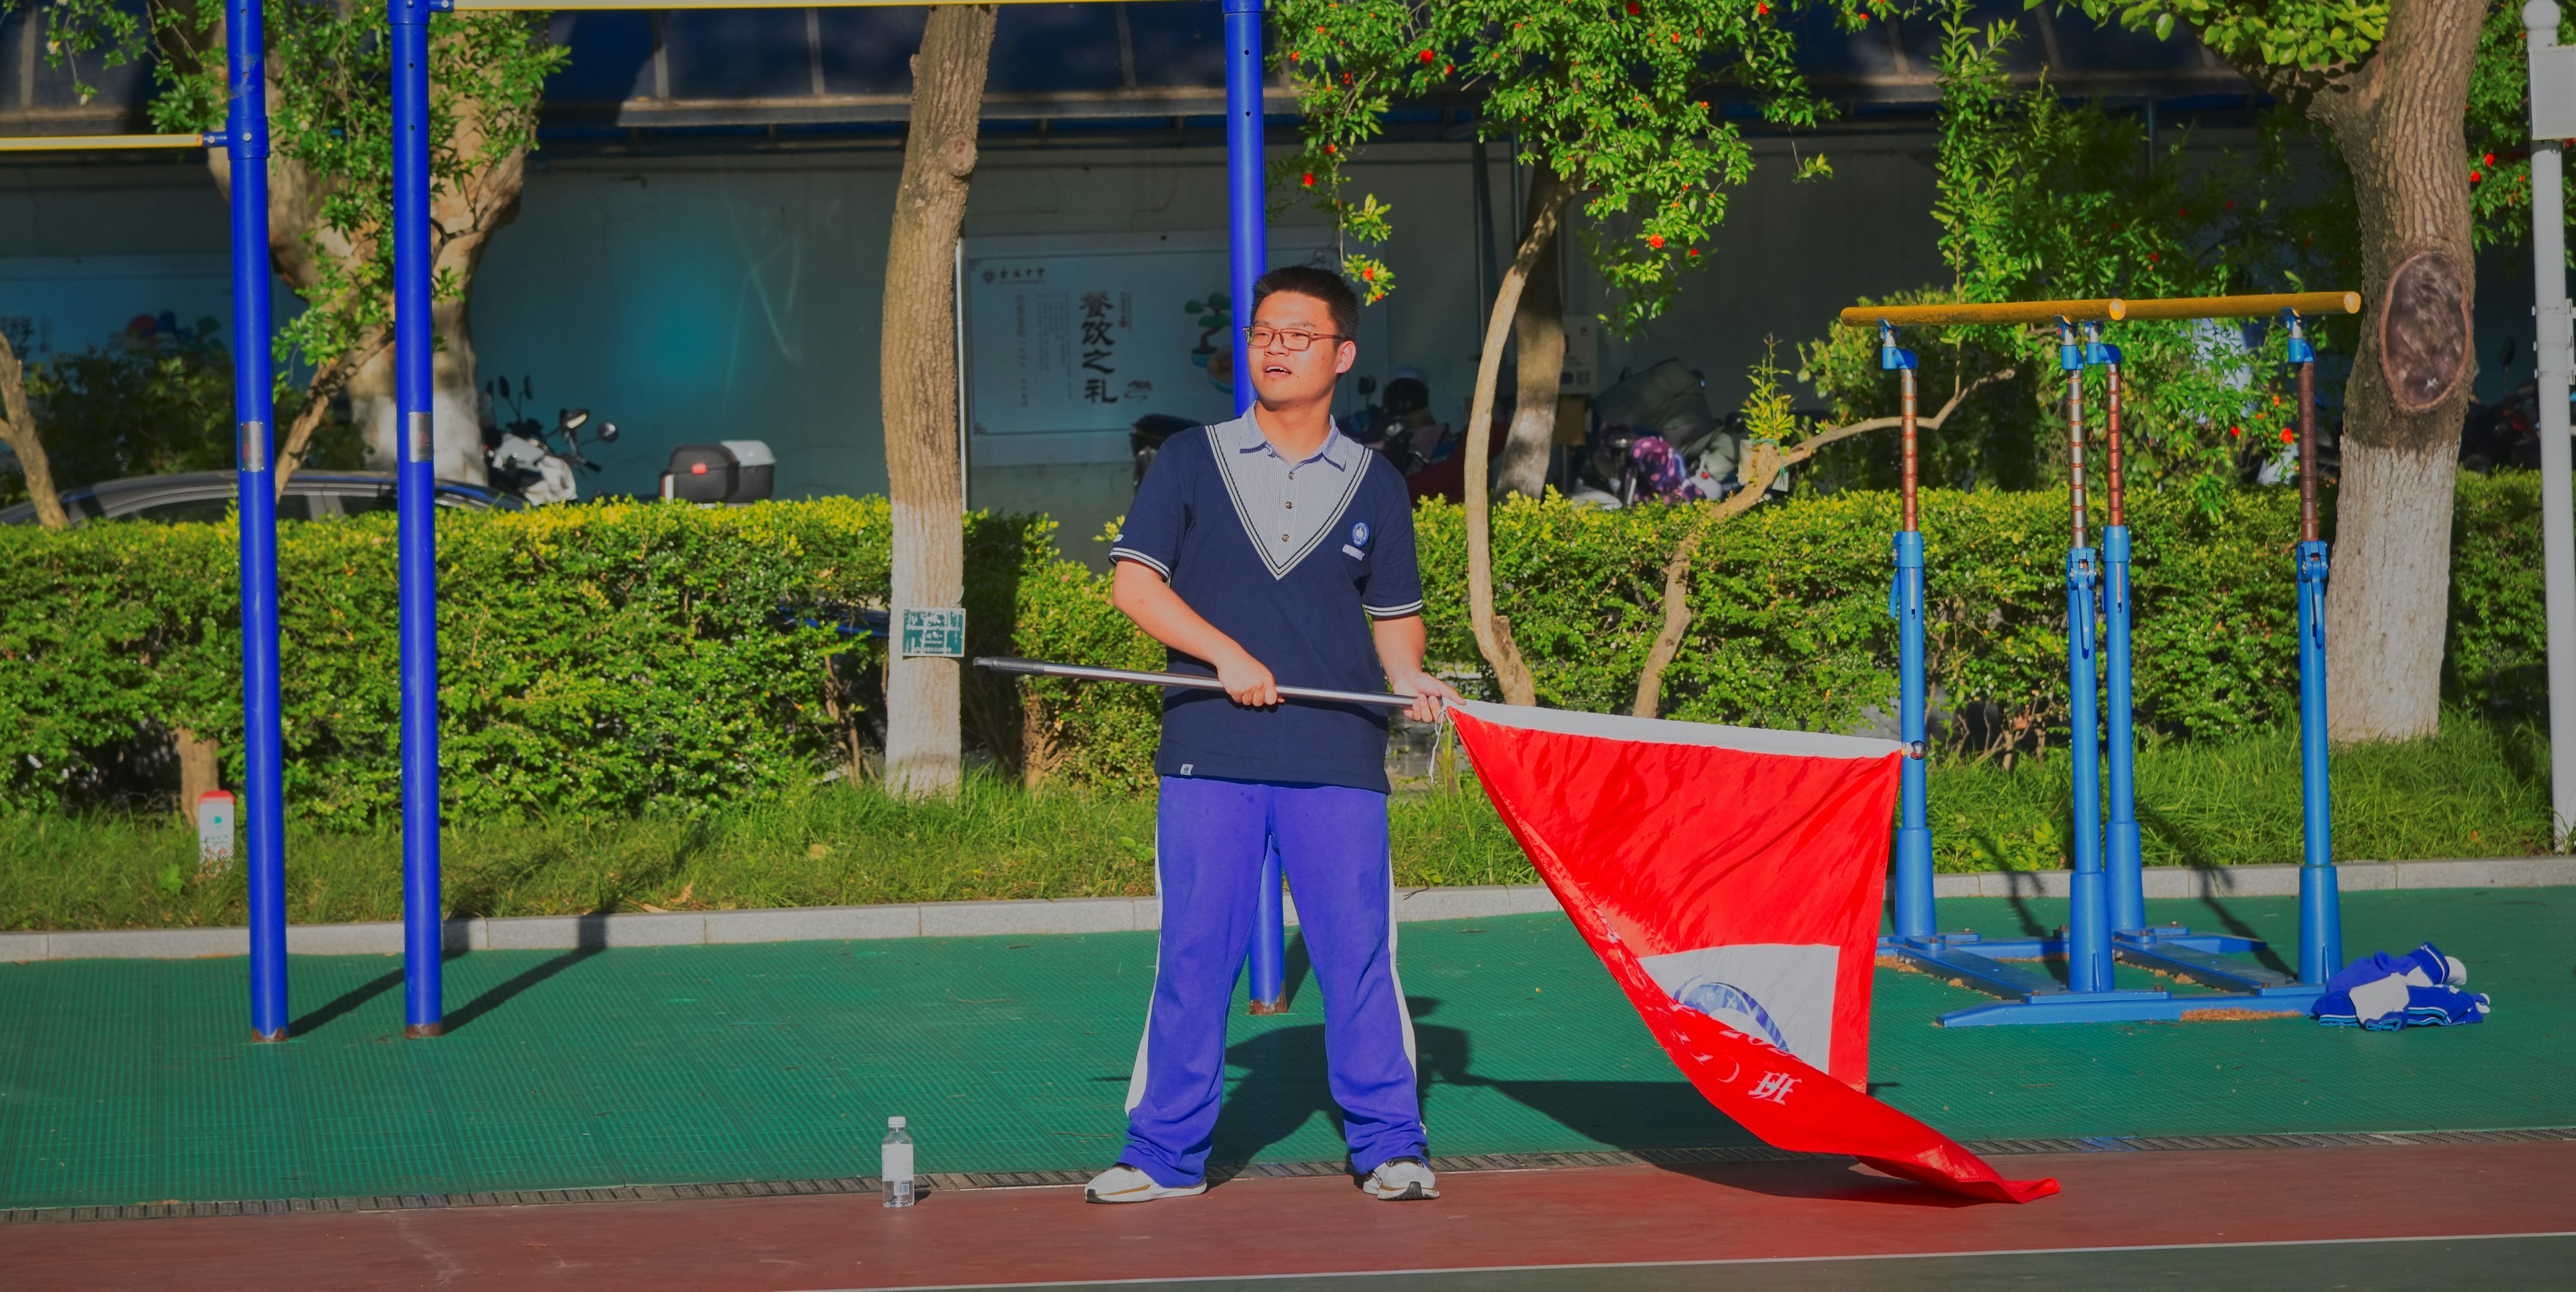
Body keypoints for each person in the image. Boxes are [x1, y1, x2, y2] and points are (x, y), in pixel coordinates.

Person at [1084, 265, 1461, 1205]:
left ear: (1342, 354)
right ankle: (1164, 1156)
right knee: (1194, 954)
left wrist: (1409, 676)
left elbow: (1394, 616)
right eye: (1262, 332)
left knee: (1356, 956)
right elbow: (1137, 587)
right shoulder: (1188, 459)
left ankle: (1388, 1146)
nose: (1274, 347)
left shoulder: (1377, 483)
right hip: (1209, 748)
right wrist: (1224, 655)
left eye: (1298, 334)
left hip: (1336, 755)